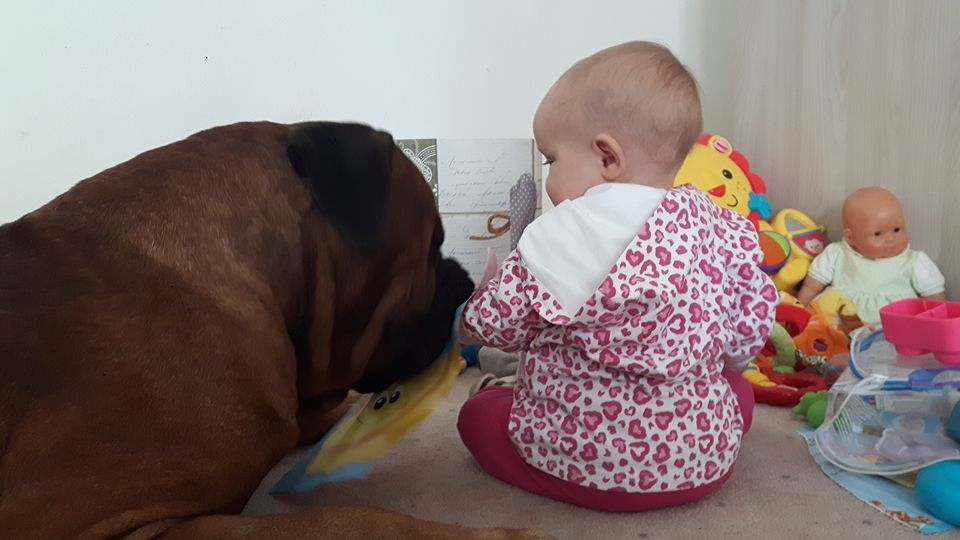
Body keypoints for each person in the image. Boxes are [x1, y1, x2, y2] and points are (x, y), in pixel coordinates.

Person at [456, 41, 778, 512]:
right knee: (737, 392)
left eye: (551, 160)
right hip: (701, 464)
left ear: (607, 157)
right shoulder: (718, 227)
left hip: (581, 462)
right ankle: (696, 441)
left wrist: (470, 311)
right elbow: (744, 340)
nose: (548, 176)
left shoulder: (559, 233)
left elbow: (494, 326)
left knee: (478, 418)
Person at [796, 186, 946, 323]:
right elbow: (811, 287)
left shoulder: (915, 261)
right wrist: (798, 312)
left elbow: (935, 299)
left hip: (892, 329)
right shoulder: (837, 253)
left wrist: (937, 327)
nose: (890, 238)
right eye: (878, 234)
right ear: (851, 237)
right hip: (838, 325)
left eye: (896, 230)